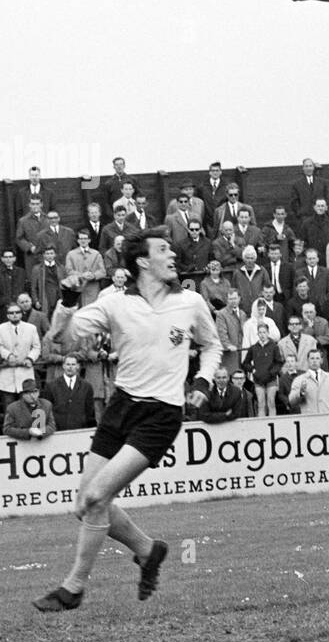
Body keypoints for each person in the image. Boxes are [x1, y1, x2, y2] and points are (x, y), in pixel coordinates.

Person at [32, 226, 220, 613]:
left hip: (161, 414)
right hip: (122, 407)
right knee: (84, 503)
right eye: (164, 249)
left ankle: (74, 588)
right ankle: (148, 551)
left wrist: (201, 379)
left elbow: (212, 345)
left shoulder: (190, 302)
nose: (173, 255)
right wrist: (67, 299)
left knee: (97, 497)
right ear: (141, 261)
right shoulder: (115, 303)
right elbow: (61, 339)